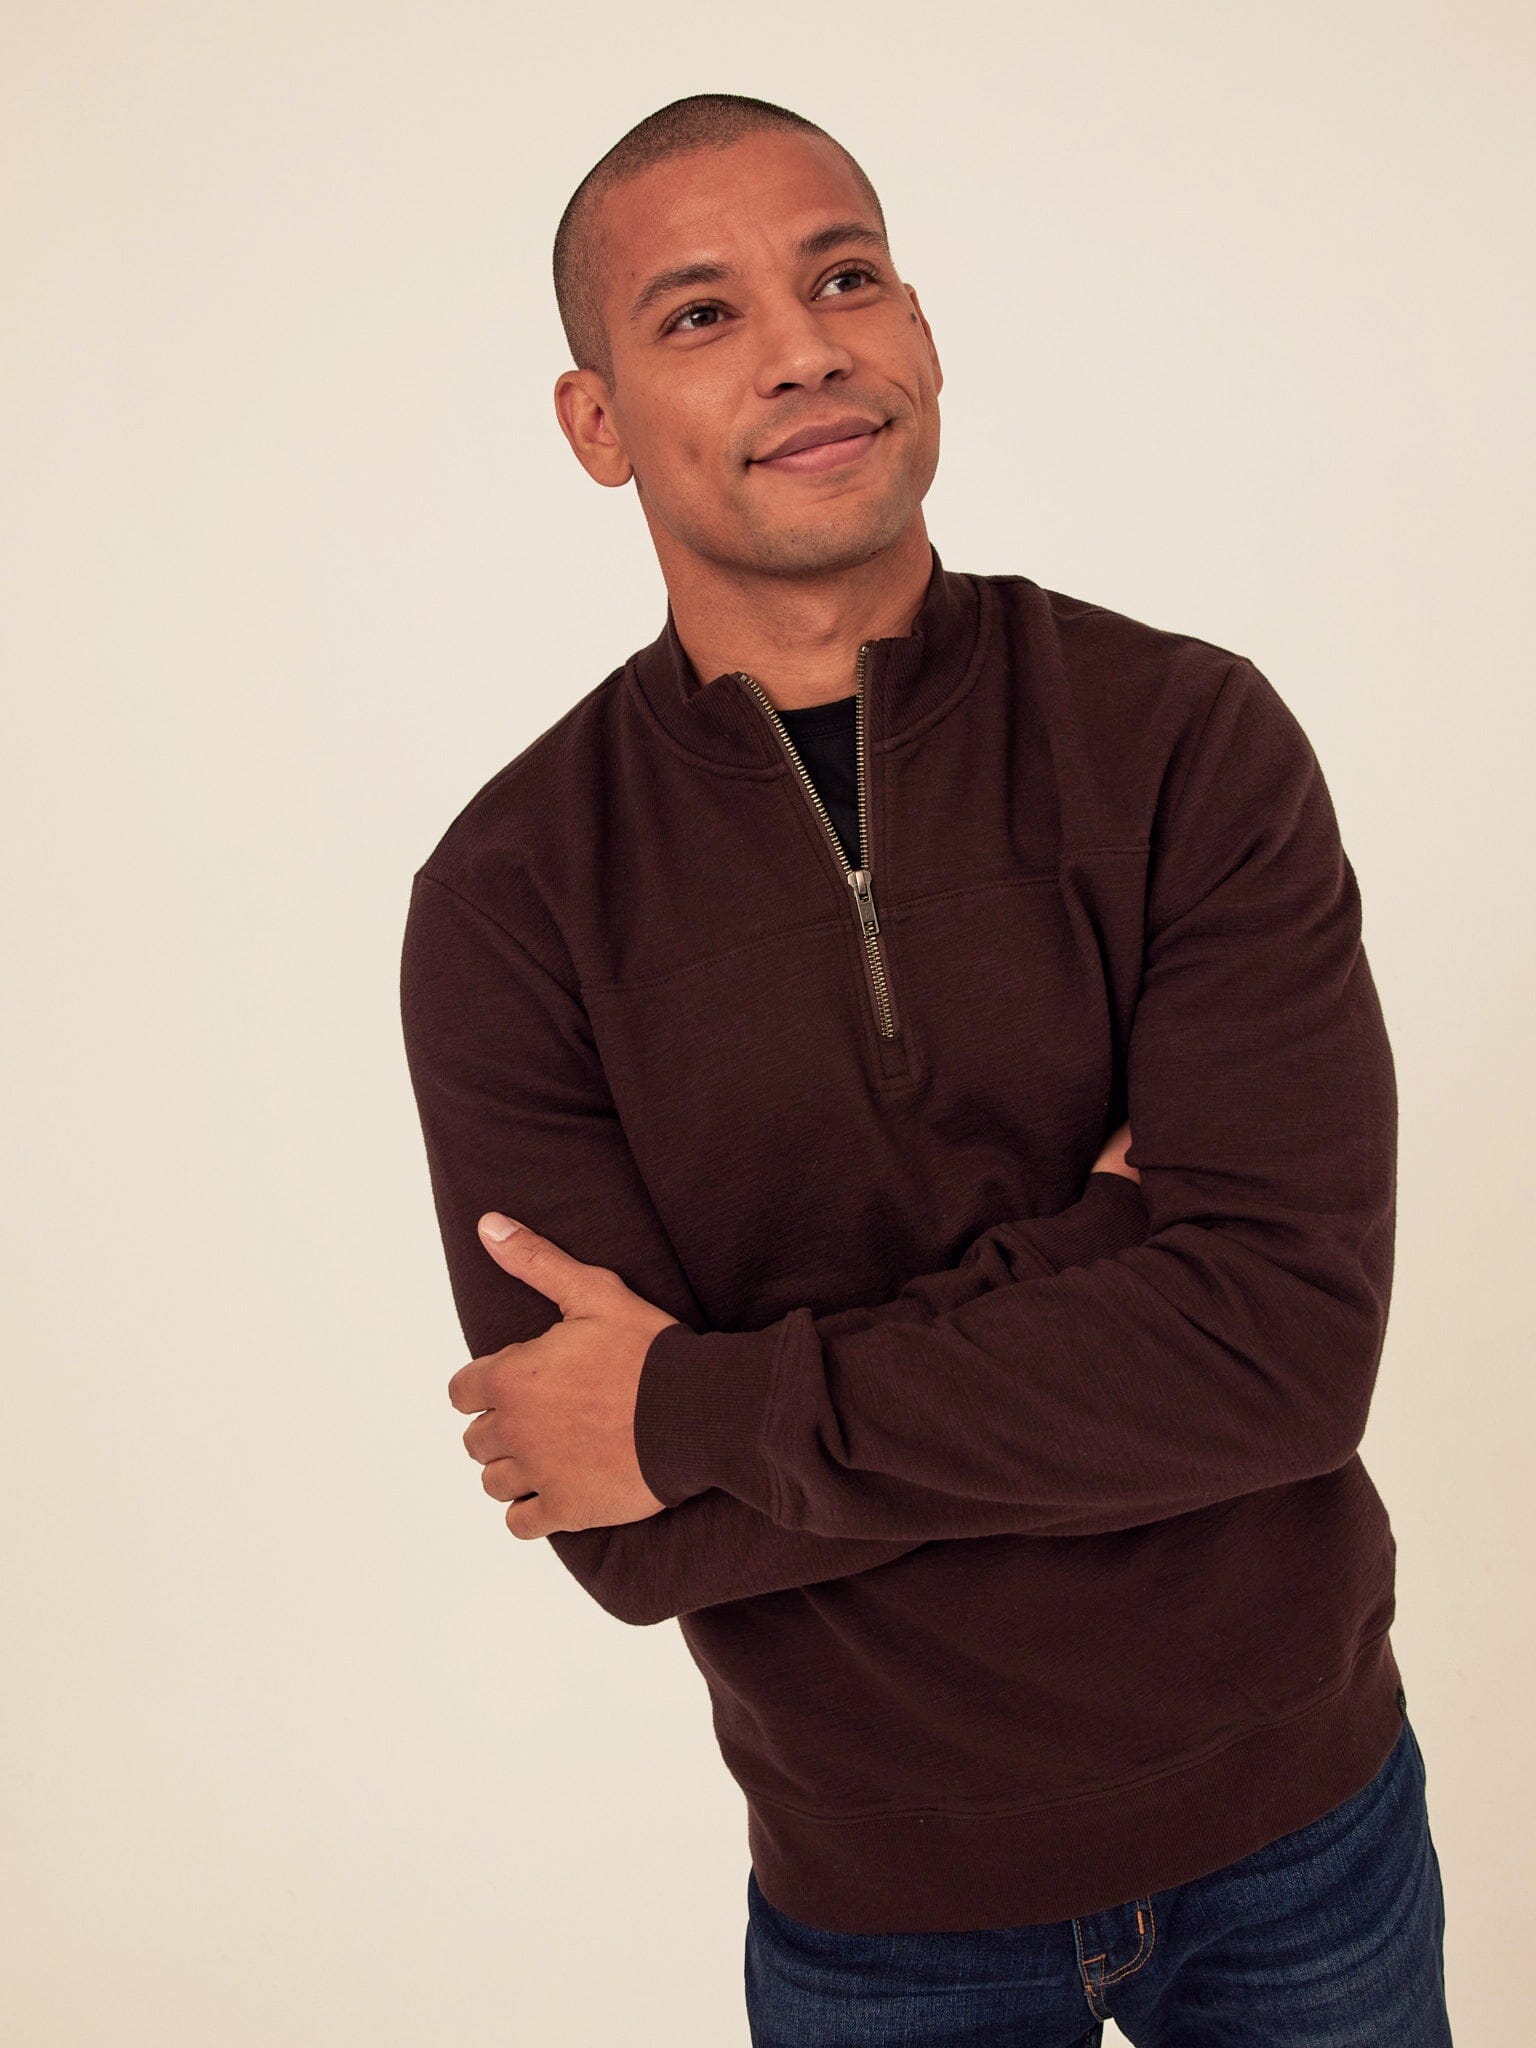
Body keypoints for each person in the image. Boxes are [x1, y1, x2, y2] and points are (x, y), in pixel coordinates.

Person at [397, 91, 1452, 2047]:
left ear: (924, 338)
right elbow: (622, 1520)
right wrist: (1115, 1262)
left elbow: (1287, 1358)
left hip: (1308, 1831)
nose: (805, 346)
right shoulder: (513, 897)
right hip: (880, 1910)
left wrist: (701, 1401)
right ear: (596, 422)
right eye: (701, 313)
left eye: (845, 277)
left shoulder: (1185, 741)